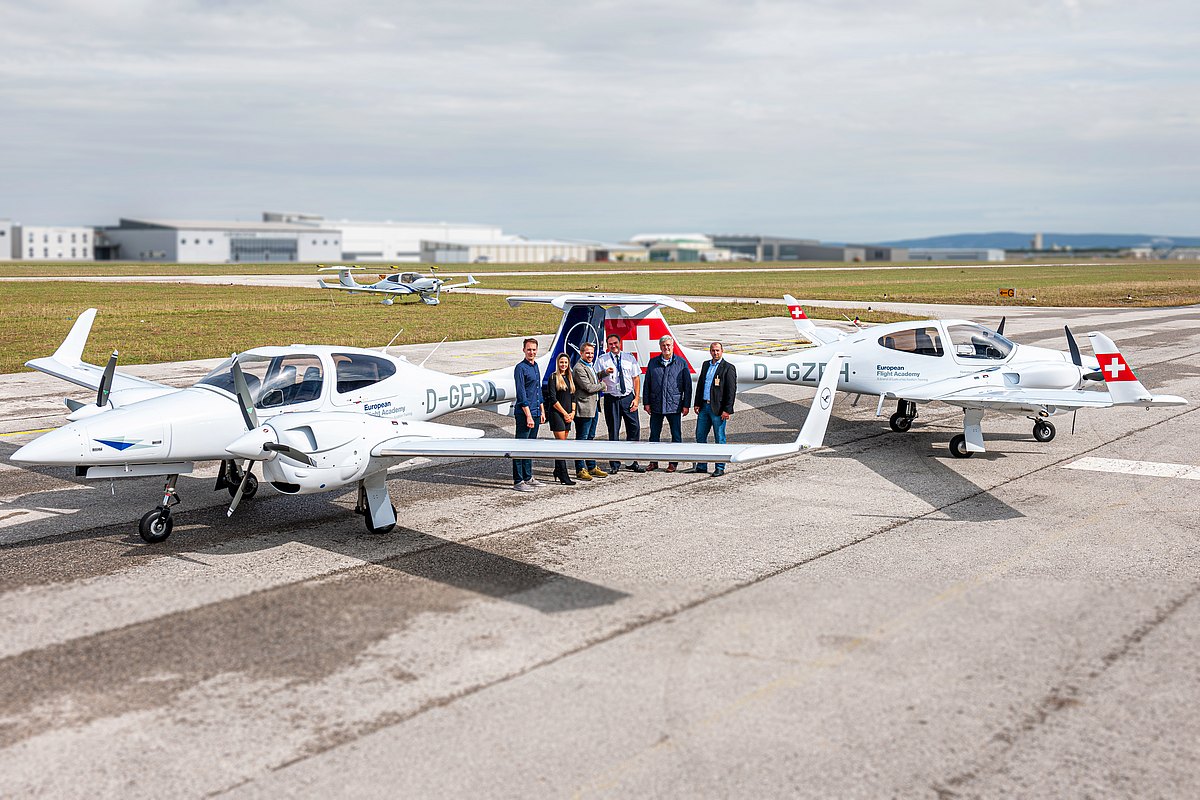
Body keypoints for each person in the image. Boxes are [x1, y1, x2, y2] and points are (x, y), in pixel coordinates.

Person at [641, 335, 691, 472]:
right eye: (663, 345)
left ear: (672, 346)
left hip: (674, 406)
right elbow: (647, 384)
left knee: (675, 435)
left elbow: (687, 386)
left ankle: (673, 463)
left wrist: (686, 405)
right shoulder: (653, 362)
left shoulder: (681, 363)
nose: (666, 348)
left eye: (668, 345)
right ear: (660, 347)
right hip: (656, 405)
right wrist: (646, 402)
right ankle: (653, 461)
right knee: (654, 435)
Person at [597, 332, 644, 473]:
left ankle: (631, 461)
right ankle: (615, 464)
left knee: (634, 428)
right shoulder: (602, 360)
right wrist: (605, 372)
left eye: (615, 343)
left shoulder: (629, 358)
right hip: (612, 398)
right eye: (610, 344)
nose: (613, 346)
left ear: (620, 344)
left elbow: (636, 378)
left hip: (627, 397)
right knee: (614, 431)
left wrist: (636, 398)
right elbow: (596, 377)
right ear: (607, 346)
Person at [690, 341, 737, 476]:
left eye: (717, 350)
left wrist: (727, 410)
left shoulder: (728, 368)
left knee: (719, 438)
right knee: (700, 435)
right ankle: (702, 465)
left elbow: (731, 391)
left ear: (722, 351)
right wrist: (697, 402)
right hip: (704, 406)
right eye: (713, 350)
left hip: (718, 409)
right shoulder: (706, 365)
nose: (715, 353)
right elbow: (701, 385)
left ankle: (720, 467)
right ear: (710, 352)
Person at [512, 337, 545, 491]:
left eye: (533, 349)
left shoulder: (536, 366)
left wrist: (542, 410)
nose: (531, 352)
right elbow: (521, 393)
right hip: (525, 413)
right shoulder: (520, 368)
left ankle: (528, 476)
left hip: (536, 411)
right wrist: (528, 415)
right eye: (529, 349)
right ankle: (518, 481)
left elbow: (538, 390)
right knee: (520, 446)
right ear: (524, 350)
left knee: (530, 446)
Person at [572, 342, 608, 481]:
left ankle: (591, 466)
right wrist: (603, 385)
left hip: (594, 408)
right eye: (587, 353)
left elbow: (592, 377)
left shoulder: (589, 366)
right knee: (582, 439)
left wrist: (603, 373)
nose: (590, 355)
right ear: (581, 353)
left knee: (590, 438)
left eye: (592, 353)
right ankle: (580, 469)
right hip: (585, 409)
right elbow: (588, 387)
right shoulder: (579, 368)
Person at [543, 353, 577, 486]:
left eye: (566, 362)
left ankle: (557, 470)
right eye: (561, 362)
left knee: (562, 445)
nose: (563, 365)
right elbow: (553, 399)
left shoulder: (570, 377)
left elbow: (573, 396)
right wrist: (564, 413)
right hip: (557, 414)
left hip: (568, 414)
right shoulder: (553, 377)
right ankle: (564, 475)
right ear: (558, 363)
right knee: (562, 446)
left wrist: (572, 412)